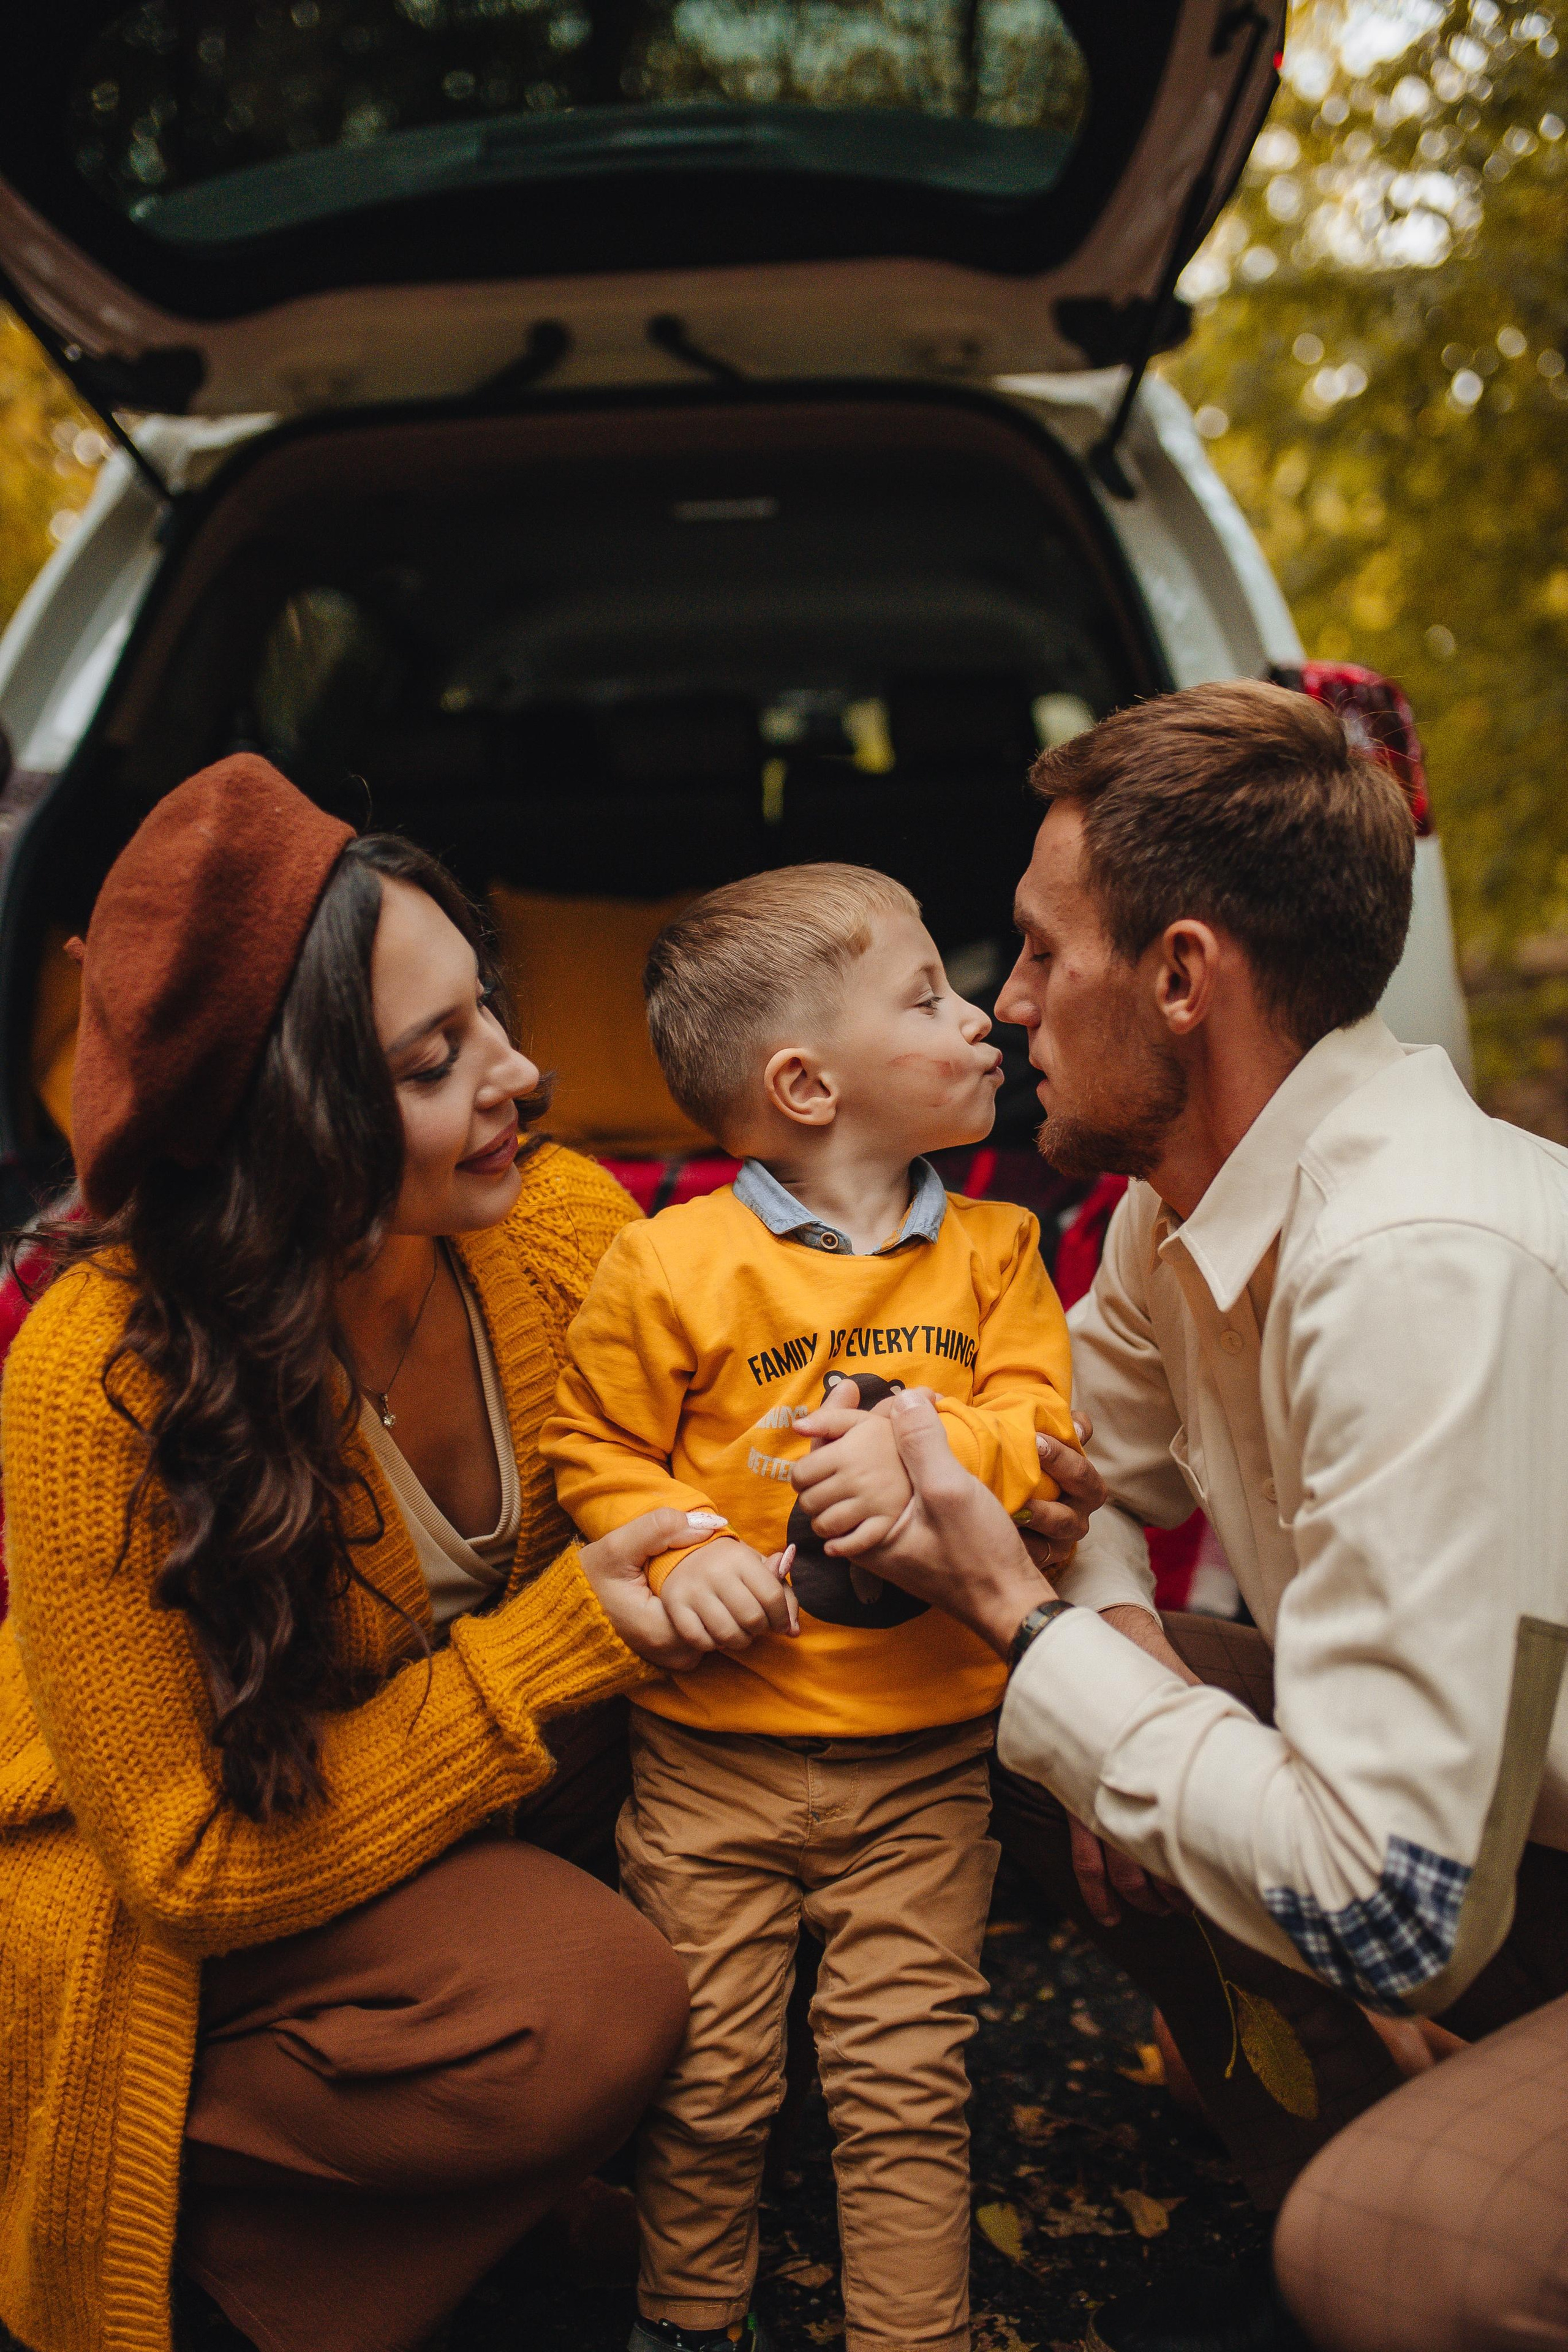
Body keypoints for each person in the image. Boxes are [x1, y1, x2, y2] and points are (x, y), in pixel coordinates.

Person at [790, 682, 1568, 2352]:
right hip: (1518, 1842)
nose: (1005, 1012)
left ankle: (1399, 2223)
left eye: (1037, 954)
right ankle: (1370, 2156)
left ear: (1182, 978)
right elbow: (1082, 1470)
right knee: (1062, 1730)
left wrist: (1035, 1629)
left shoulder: (1417, 1269)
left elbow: (1399, 1917)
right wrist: (1117, 1638)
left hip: (1458, 1882)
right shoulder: (1177, 1215)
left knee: (1401, 2257)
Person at [0, 755, 779, 2352]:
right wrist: (560, 1643)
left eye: (487, 1010)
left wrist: (925, 1466)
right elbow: (189, 1859)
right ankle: (116, 2164)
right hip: (153, 1895)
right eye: (440, 1060)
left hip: (423, 1854)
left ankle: (341, 2231)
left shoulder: (558, 1230)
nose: (525, 1073)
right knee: (597, 2003)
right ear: (300, 1130)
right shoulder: (95, 1383)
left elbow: (724, 1467)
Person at [541, 864, 1079, 2352]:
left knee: (906, 2088)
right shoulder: (666, 1264)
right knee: (707, 2084)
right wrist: (682, 1547)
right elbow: (593, 1449)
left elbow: (1040, 1424)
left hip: (922, 1766)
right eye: (929, 996)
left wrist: (931, 1444)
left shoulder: (997, 1254)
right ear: (802, 1081)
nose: (984, 1018)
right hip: (707, 1766)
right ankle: (688, 2324)